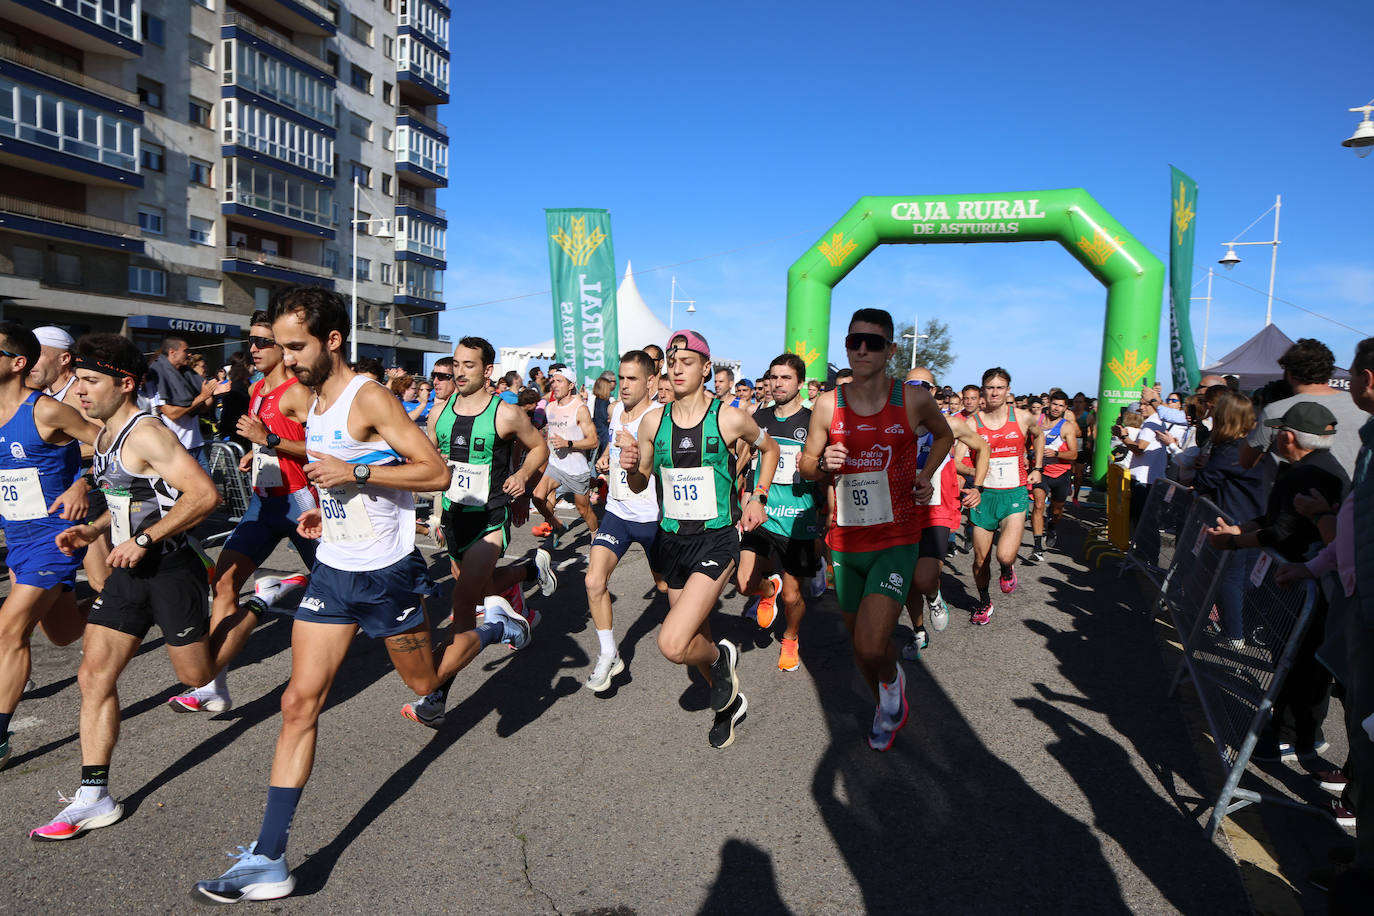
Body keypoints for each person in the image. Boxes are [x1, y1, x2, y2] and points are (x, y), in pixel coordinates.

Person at [189, 289, 529, 902]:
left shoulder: (368, 397)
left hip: (386, 578)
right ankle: (269, 857)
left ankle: (496, 625)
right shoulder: (311, 398)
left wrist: (357, 475)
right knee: (299, 703)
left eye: (297, 347)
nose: (287, 360)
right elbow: (328, 456)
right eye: (282, 347)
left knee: (425, 688)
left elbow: (436, 473)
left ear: (333, 341)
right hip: (333, 572)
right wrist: (289, 460)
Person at [28, 332, 226, 840]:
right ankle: (94, 796)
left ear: (125, 383)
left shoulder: (148, 433)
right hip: (125, 572)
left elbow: (205, 495)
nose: (81, 392)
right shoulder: (103, 435)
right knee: (93, 677)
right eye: (80, 382)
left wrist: (143, 537)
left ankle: (255, 609)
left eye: (91, 382)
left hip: (170, 568)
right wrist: (92, 529)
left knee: (197, 678)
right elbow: (126, 495)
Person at [799, 310, 952, 751]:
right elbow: (808, 463)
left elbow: (943, 437)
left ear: (890, 350)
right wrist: (820, 464)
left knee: (870, 643)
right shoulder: (829, 403)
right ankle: (888, 695)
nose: (861, 349)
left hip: (897, 537)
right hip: (846, 540)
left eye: (871, 341)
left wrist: (926, 473)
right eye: (853, 342)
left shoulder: (913, 399)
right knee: (860, 643)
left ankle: (889, 684)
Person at [619, 330, 778, 748]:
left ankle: (723, 657)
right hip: (671, 541)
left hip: (716, 540)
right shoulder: (653, 421)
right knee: (695, 639)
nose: (677, 368)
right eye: (672, 362)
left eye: (687, 362)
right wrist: (632, 465)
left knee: (672, 644)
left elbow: (772, 450)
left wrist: (757, 496)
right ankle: (730, 703)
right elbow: (638, 485)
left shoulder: (729, 417)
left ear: (706, 369)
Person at [167, 311, 319, 714]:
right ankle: (213, 687)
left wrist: (266, 438)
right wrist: (258, 449)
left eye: (262, 342)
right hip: (263, 502)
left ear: (284, 348)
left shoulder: (297, 391)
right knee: (225, 582)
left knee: (339, 592)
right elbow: (280, 439)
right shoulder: (255, 389)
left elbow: (322, 449)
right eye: (251, 341)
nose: (253, 349)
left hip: (301, 501)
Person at [402, 336, 556, 728]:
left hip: (491, 515)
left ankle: (437, 693)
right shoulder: (440, 413)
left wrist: (522, 476)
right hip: (456, 516)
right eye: (456, 364)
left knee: (465, 596)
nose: (459, 371)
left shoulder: (505, 414)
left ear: (487, 371)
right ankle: (528, 571)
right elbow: (427, 457)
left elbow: (539, 448)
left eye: (468, 365)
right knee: (477, 585)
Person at [1207, 401, 1350, 763]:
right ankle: (1297, 734)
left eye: (1277, 431)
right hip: (1312, 581)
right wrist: (1241, 528)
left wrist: (1233, 540)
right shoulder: (1318, 468)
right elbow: (1275, 519)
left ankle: (1291, 737)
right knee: (1300, 662)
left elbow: (1283, 534)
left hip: (1306, 583)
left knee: (1297, 662)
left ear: (1288, 436)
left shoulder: (1306, 474)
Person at [0, 323, 101, 769]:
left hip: (54, 538)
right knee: (63, 633)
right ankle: (124, 600)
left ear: (17, 363)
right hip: (17, 542)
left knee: (8, 631)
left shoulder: (44, 411)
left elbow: (111, 444)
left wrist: (82, 483)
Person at [734, 354, 821, 672]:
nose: (777, 384)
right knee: (744, 583)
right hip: (762, 512)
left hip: (798, 516)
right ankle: (768, 589)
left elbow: (825, 472)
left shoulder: (813, 421)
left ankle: (790, 637)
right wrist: (741, 492)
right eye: (773, 377)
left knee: (794, 596)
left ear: (800, 383)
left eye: (786, 378)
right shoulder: (760, 415)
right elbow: (746, 457)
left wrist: (814, 468)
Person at [583, 350, 661, 690]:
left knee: (665, 588)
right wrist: (604, 458)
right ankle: (609, 653)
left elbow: (667, 464)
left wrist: (642, 452)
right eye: (621, 377)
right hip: (616, 512)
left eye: (632, 379)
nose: (624, 385)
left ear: (650, 382)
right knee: (593, 581)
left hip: (653, 518)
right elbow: (612, 449)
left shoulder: (660, 417)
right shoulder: (615, 411)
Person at [900, 367, 988, 660]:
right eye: (911, 384)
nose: (917, 388)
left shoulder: (951, 424)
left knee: (924, 578)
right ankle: (918, 631)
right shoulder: (897, 426)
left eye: (924, 385)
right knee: (907, 579)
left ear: (934, 391)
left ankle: (935, 597)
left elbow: (982, 448)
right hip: (902, 510)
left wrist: (980, 485)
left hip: (937, 509)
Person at [967, 368, 1043, 624]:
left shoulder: (1022, 418)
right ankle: (984, 602)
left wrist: (1037, 467)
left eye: (1000, 387)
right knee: (980, 560)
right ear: (983, 391)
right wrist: (978, 472)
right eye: (990, 387)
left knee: (1005, 555)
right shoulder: (971, 423)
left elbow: (1039, 435)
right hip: (984, 497)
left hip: (1014, 493)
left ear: (1008, 390)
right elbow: (956, 460)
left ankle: (1008, 568)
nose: (995, 392)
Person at [1191, 391, 1265, 647]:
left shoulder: (1229, 451)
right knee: (1242, 580)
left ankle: (1234, 634)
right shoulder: (1253, 447)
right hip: (1253, 520)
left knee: (1230, 579)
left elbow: (1203, 481)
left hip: (1232, 523)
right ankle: (1237, 629)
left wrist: (1203, 468)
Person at [1242, 338, 1368, 480]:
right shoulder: (1361, 406)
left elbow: (1246, 461)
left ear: (1289, 373)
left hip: (1294, 498)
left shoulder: (1275, 411)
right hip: (1350, 496)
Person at [530, 367, 599, 543]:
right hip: (556, 465)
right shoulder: (550, 407)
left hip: (576, 469)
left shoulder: (580, 409)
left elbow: (593, 441)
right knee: (537, 497)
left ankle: (595, 535)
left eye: (559, 381)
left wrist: (568, 443)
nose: (554, 384)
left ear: (571, 385)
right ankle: (557, 525)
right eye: (553, 381)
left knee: (584, 510)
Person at [146, 337, 217, 472]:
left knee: (209, 491)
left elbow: (202, 409)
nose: (189, 354)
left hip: (196, 445)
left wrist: (212, 393)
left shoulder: (188, 374)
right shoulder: (156, 376)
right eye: (186, 350)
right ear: (172, 352)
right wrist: (202, 397)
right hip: (177, 449)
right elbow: (172, 413)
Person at [1029, 391, 1079, 562]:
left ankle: (1051, 526)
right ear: (1048, 404)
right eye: (1054, 404)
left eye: (1060, 406)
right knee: (1038, 504)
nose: (1056, 408)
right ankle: (1037, 547)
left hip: (1061, 473)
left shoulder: (1067, 427)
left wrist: (1057, 453)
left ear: (1065, 408)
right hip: (1040, 472)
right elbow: (1026, 442)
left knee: (1057, 511)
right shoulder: (1036, 421)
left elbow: (1074, 455)